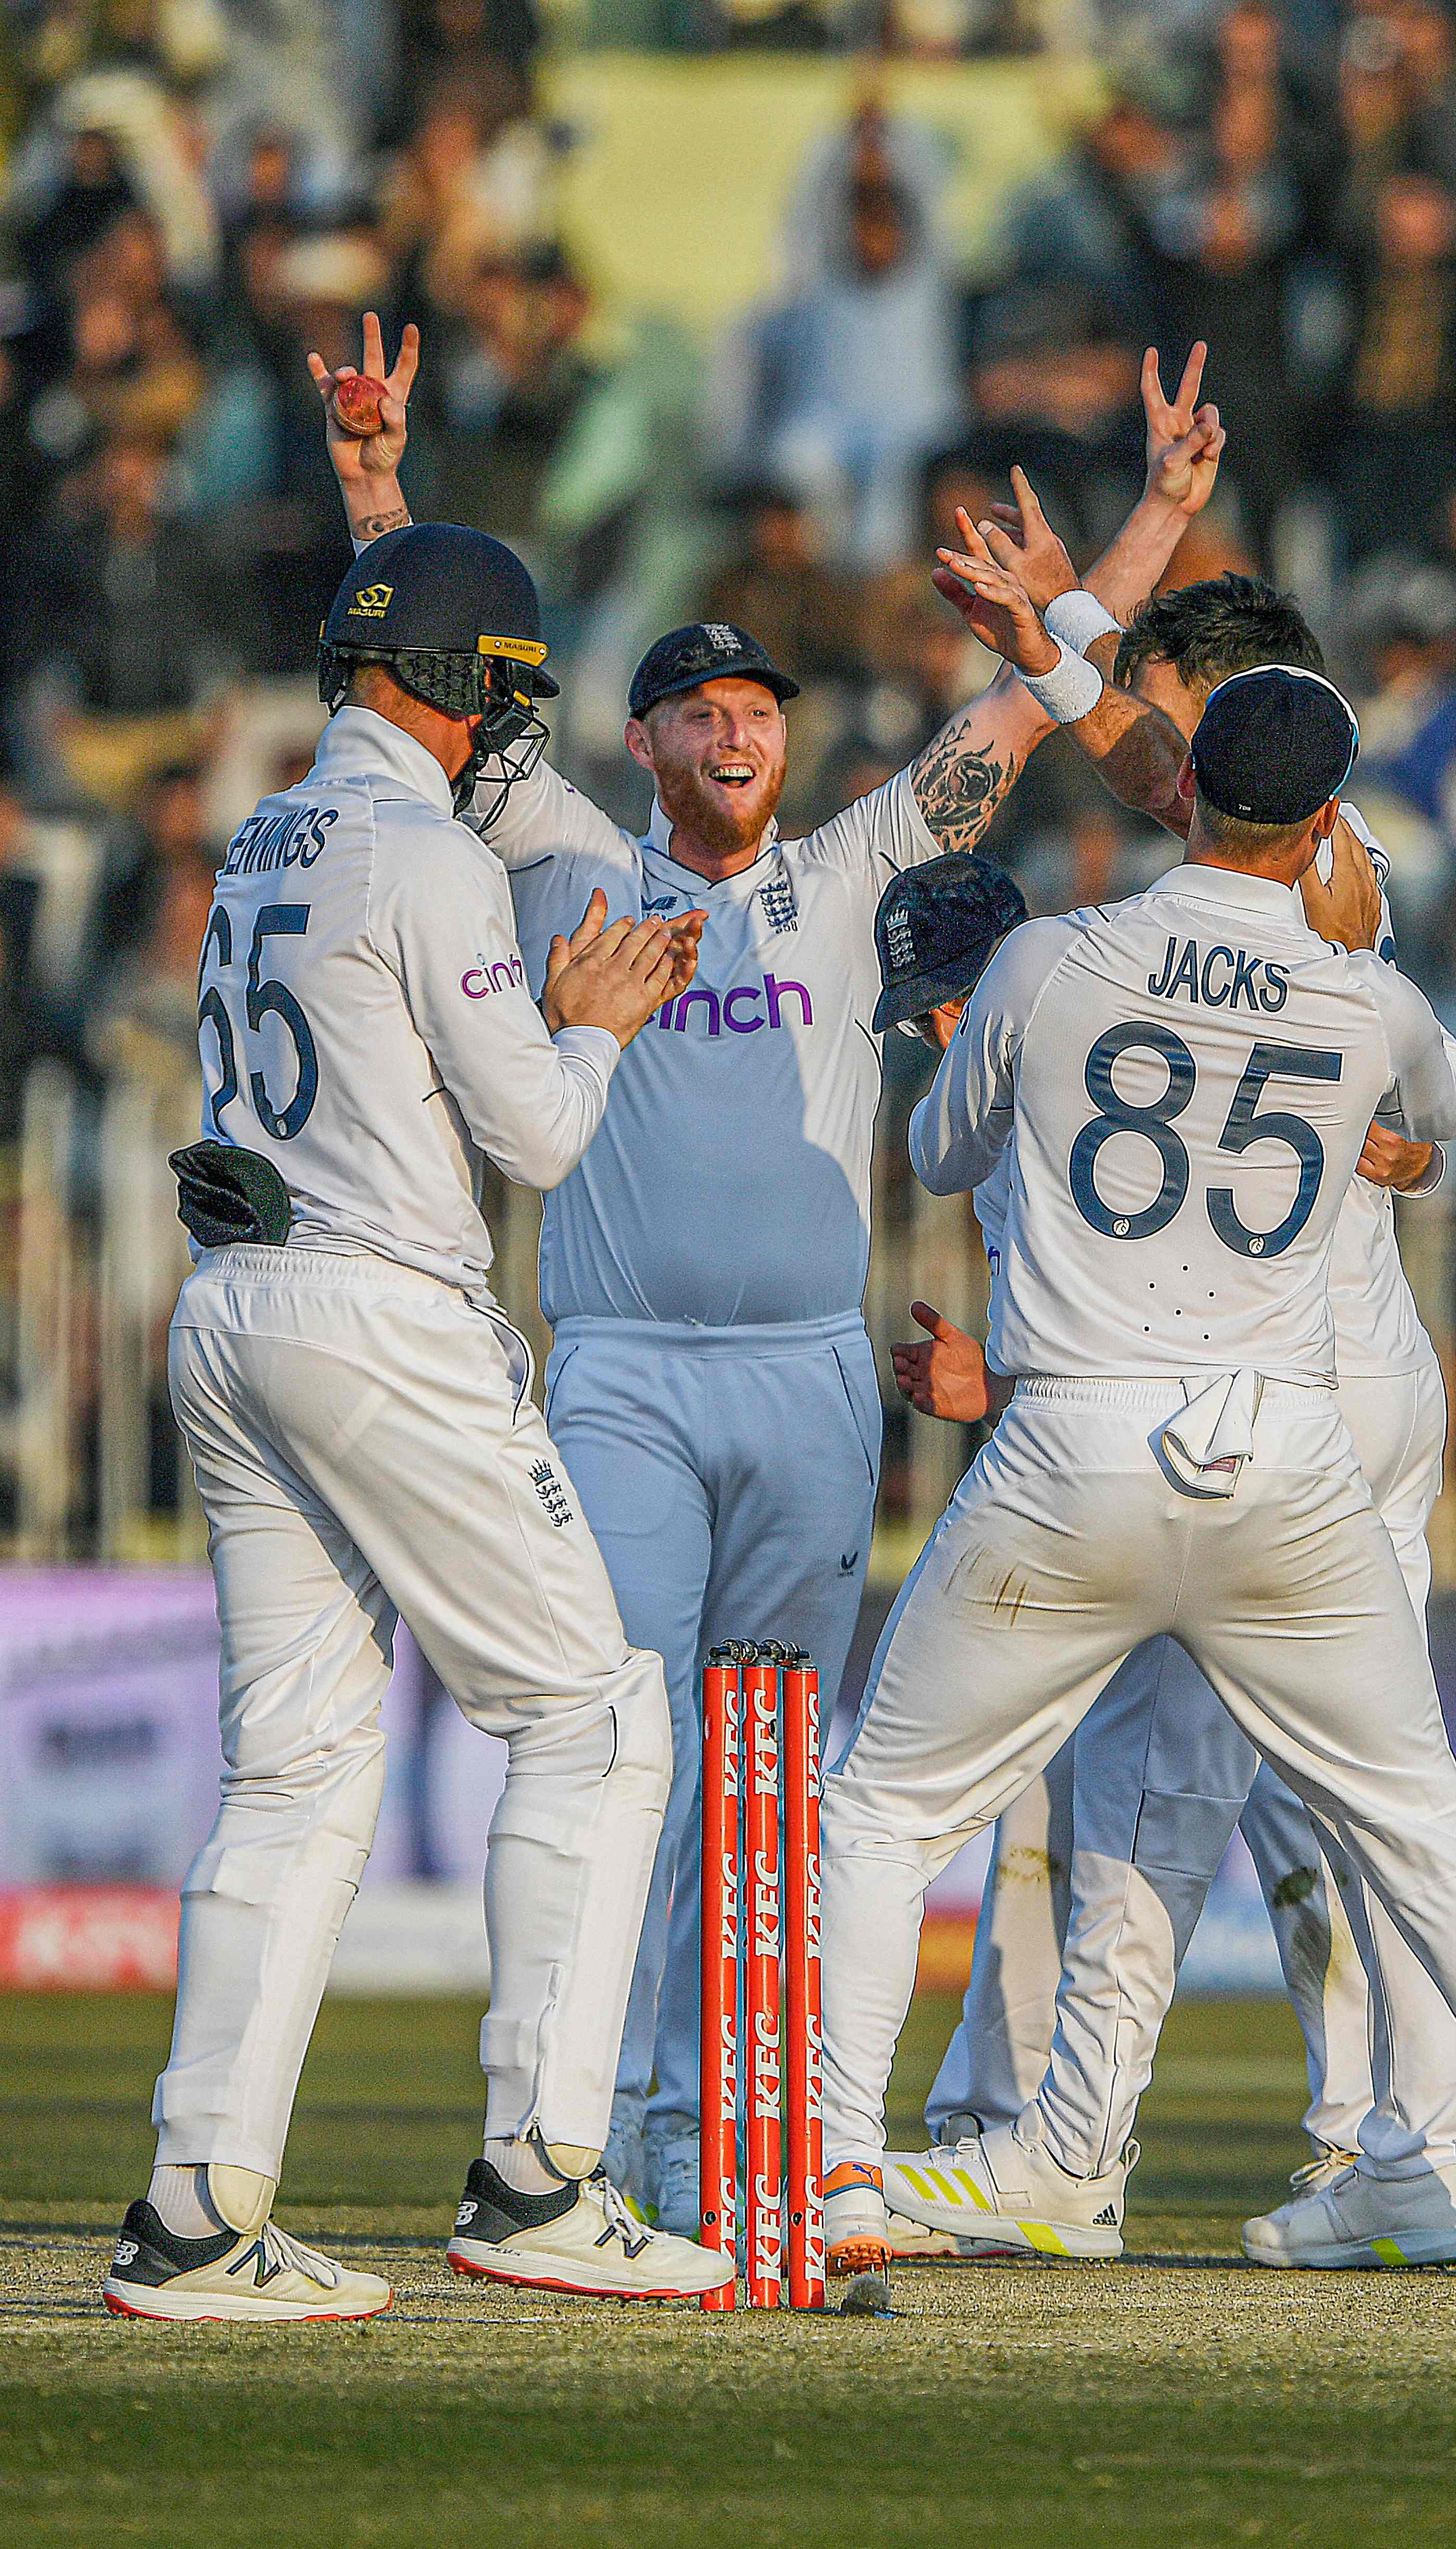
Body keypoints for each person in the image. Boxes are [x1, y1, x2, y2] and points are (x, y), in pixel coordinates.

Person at [309, 314, 1227, 2234]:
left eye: (761, 709)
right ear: (635, 743)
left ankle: (732, 2132)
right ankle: (614, 2136)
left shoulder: (852, 869)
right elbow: (415, 674)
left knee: (780, 1794)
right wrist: (379, 486)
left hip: (812, 1382)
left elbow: (1035, 713)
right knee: (626, 1757)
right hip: (629, 1377)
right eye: (701, 709)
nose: (740, 728)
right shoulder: (561, 852)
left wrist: (1147, 523)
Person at [818, 664, 1456, 2286]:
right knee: (1430, 1819)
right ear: (1327, 823)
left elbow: (942, 1150)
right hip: (1284, 1455)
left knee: (880, 1809)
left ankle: (840, 2181)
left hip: (1074, 1439)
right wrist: (1387, 1114)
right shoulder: (1369, 998)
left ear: (1197, 788)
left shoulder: (1044, 957)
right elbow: (1441, 1114)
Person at [103, 522, 733, 2320]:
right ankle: (541, 2179)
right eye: (502, 694)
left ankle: (195, 2215)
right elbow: (537, 1134)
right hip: (379, 1307)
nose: (505, 733)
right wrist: (592, 1019)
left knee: (293, 1774)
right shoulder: (424, 847)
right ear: (457, 683)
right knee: (601, 1720)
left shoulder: (261, 831)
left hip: (234, 1302)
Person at [882, 564, 1456, 2271]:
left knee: (1155, 1794)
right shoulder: (1311, 878)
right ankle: (1407, 2159)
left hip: (1266, 1402)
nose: (1163, 757)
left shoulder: (1317, 858)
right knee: (1382, 1806)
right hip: (1320, 1388)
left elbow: (1174, 782)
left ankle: (1061, 2150)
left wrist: (1064, 642)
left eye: (1184, 714)